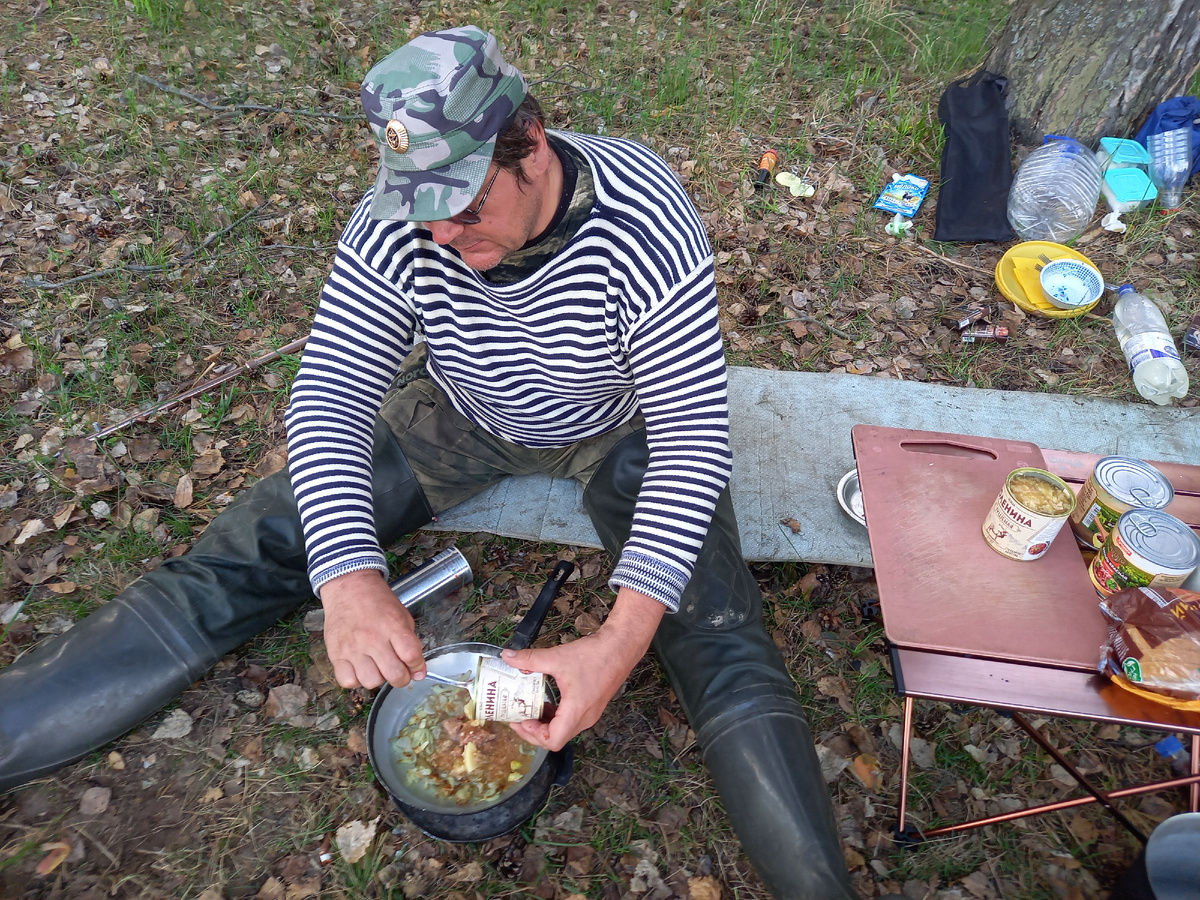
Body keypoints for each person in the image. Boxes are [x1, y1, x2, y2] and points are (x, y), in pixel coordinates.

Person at [0, 27, 862, 899]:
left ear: (530, 145)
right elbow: (330, 392)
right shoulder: (403, 219)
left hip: (617, 422)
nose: (442, 234)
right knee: (259, 543)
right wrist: (347, 577)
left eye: (467, 206)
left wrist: (615, 643)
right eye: (423, 211)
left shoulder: (643, 216)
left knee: (713, 624)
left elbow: (690, 440)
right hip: (462, 409)